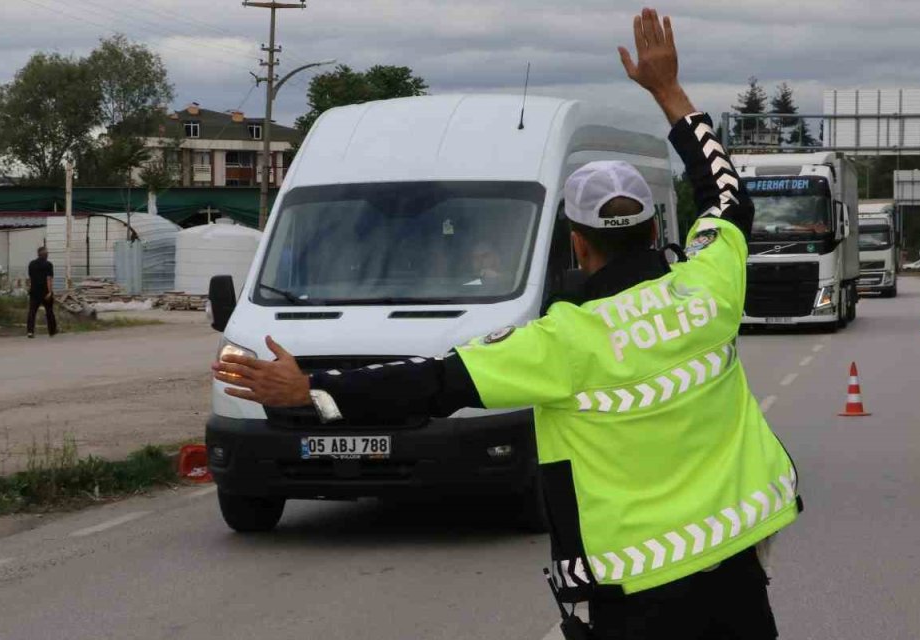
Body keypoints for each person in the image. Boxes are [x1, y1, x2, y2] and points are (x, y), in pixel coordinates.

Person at [213, 9, 800, 639]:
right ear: (657, 231)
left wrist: (313, 390)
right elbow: (727, 194)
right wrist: (669, 92)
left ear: (578, 245)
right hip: (734, 565)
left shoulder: (561, 342)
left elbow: (433, 382)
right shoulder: (710, 288)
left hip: (633, 591)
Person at [26, 246, 57, 338]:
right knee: (49, 311)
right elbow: (49, 279)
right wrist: (50, 292)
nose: (47, 255)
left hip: (34, 291)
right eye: (47, 253)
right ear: (45, 255)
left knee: (32, 312)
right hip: (45, 292)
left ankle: (30, 331)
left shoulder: (31, 264)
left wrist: (30, 288)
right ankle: (52, 331)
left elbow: (30, 278)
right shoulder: (48, 265)